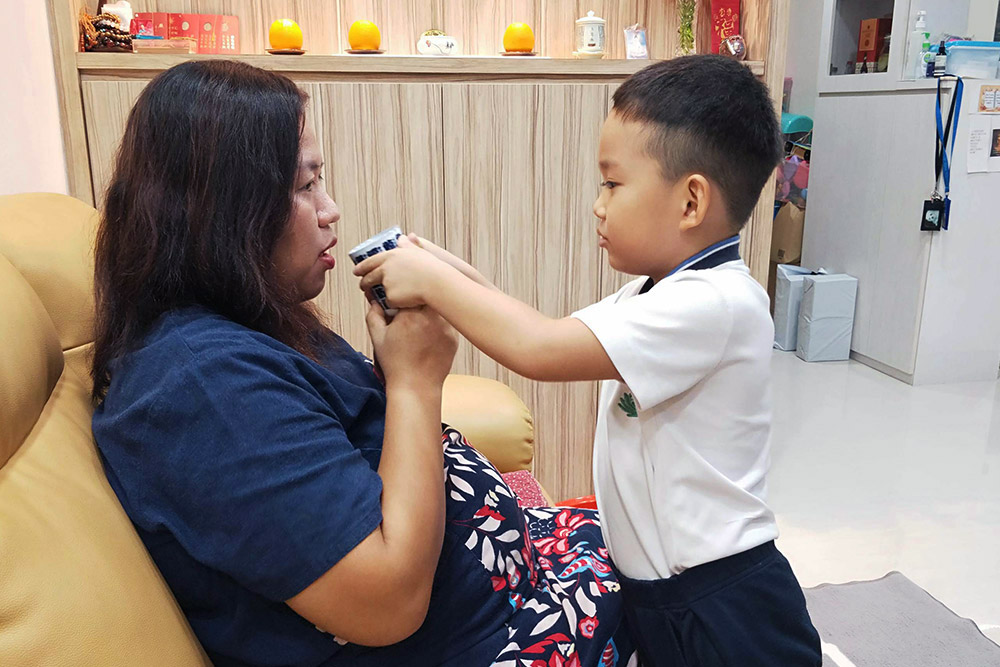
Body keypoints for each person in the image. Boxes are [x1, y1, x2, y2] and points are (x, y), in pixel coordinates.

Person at [90, 60, 632, 667]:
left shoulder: (255, 318)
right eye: (304, 187)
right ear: (220, 210)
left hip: (530, 582)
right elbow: (386, 602)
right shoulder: (202, 389)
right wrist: (416, 381)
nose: (331, 210)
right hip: (497, 641)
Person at [355, 55, 822, 666]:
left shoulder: (716, 303)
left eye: (613, 183)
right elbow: (521, 316)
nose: (598, 205)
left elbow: (539, 347)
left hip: (724, 601)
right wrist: (434, 266)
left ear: (690, 202)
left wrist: (434, 284)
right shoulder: (659, 291)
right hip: (662, 591)